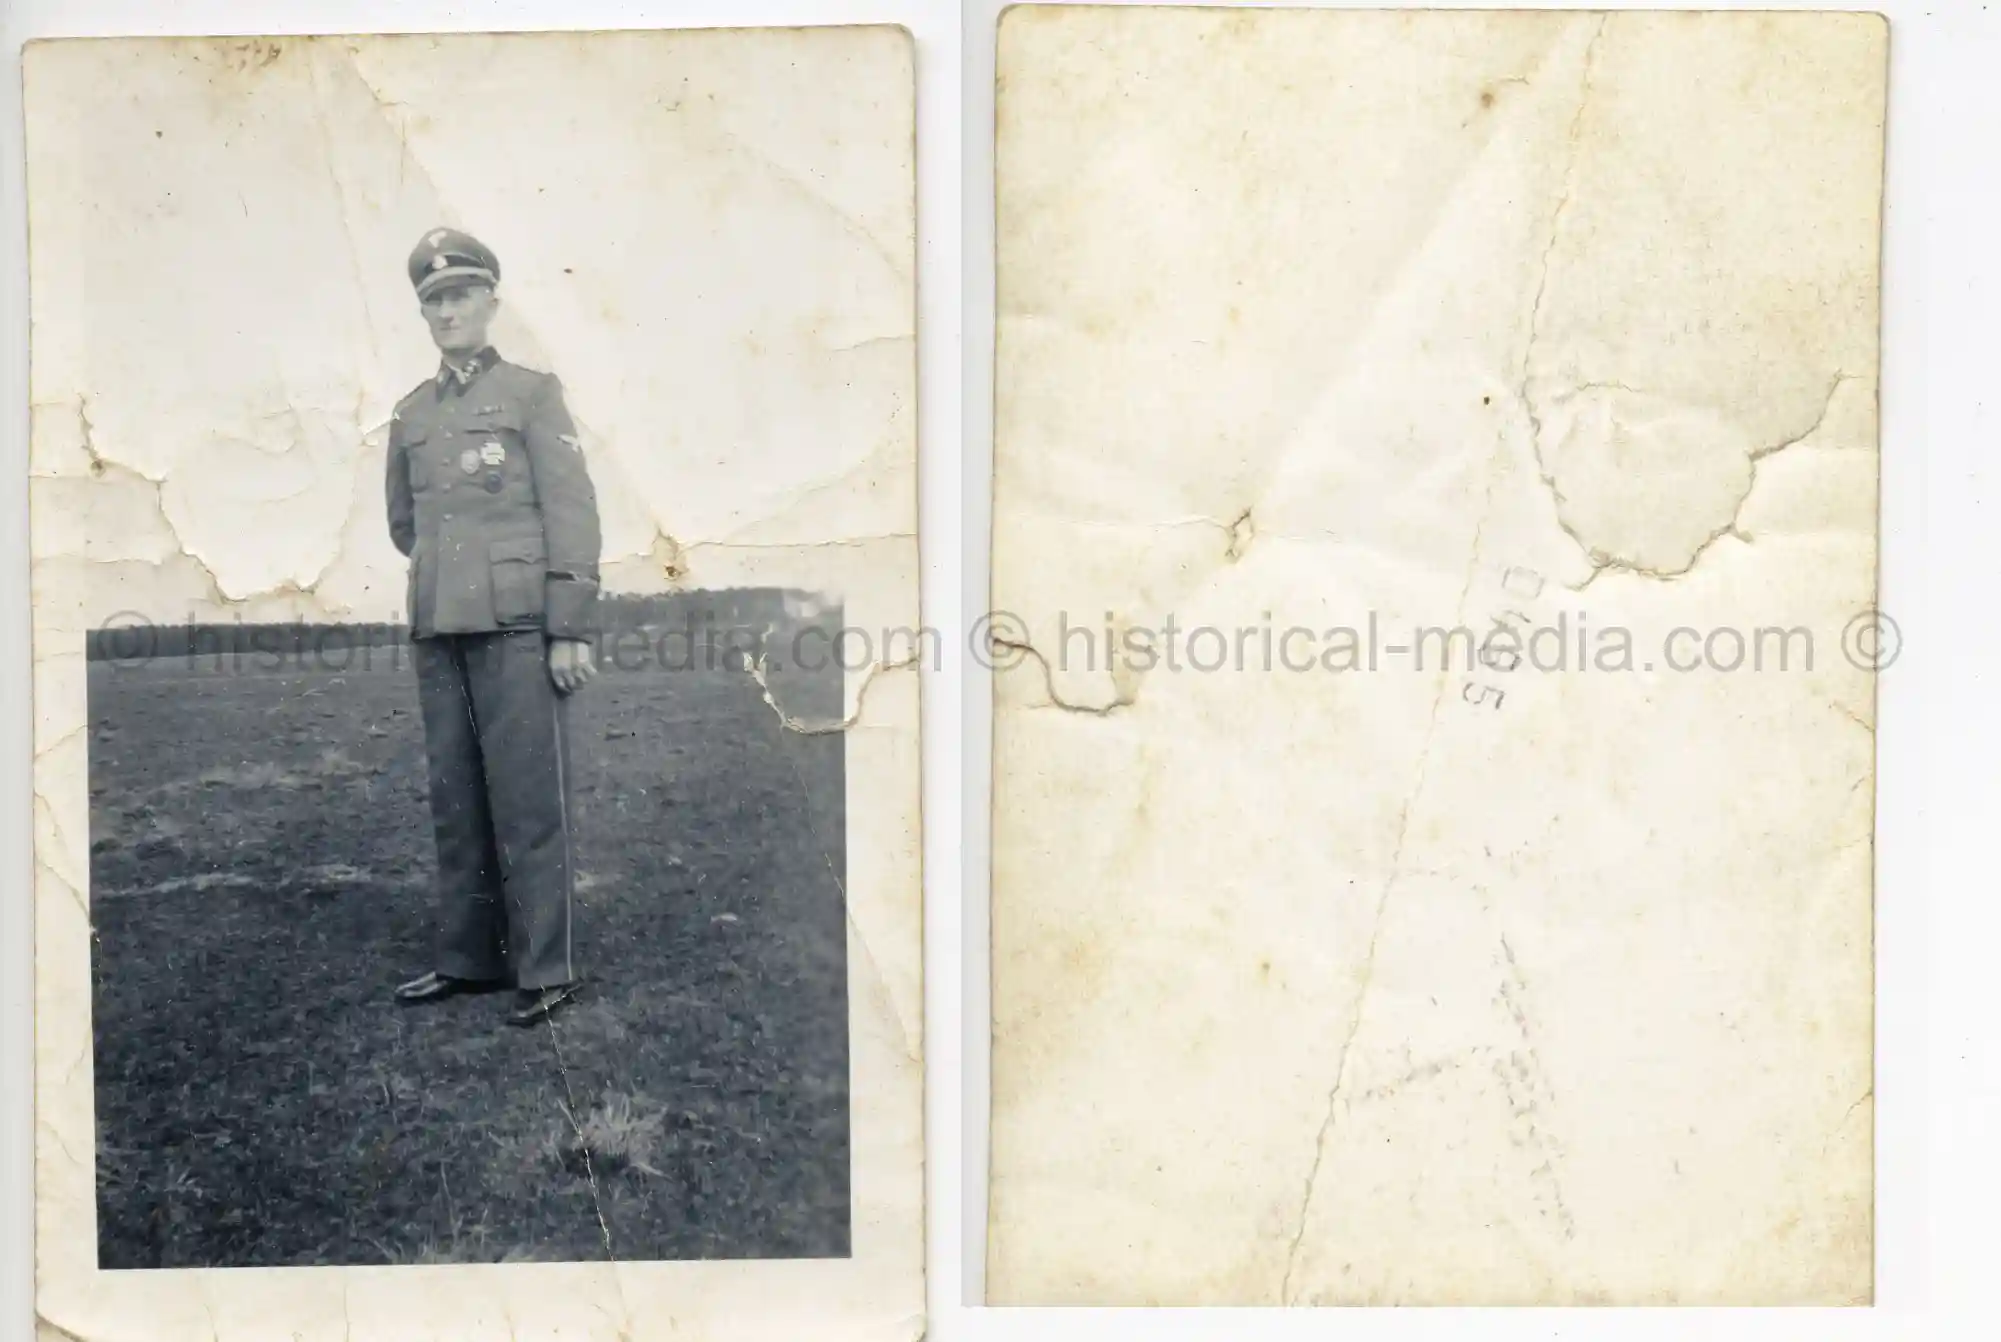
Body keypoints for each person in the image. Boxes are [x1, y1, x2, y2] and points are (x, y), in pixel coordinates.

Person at [385, 227, 601, 1027]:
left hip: (516, 626)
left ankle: (548, 966)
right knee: (457, 797)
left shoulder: (532, 394)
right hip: (442, 625)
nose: (449, 310)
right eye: (434, 300)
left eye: (461, 295)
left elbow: (572, 513)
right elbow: (405, 523)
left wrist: (567, 625)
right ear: (424, 312)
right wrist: (458, 579)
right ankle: (470, 959)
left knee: (527, 797)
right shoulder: (410, 412)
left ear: (490, 303)